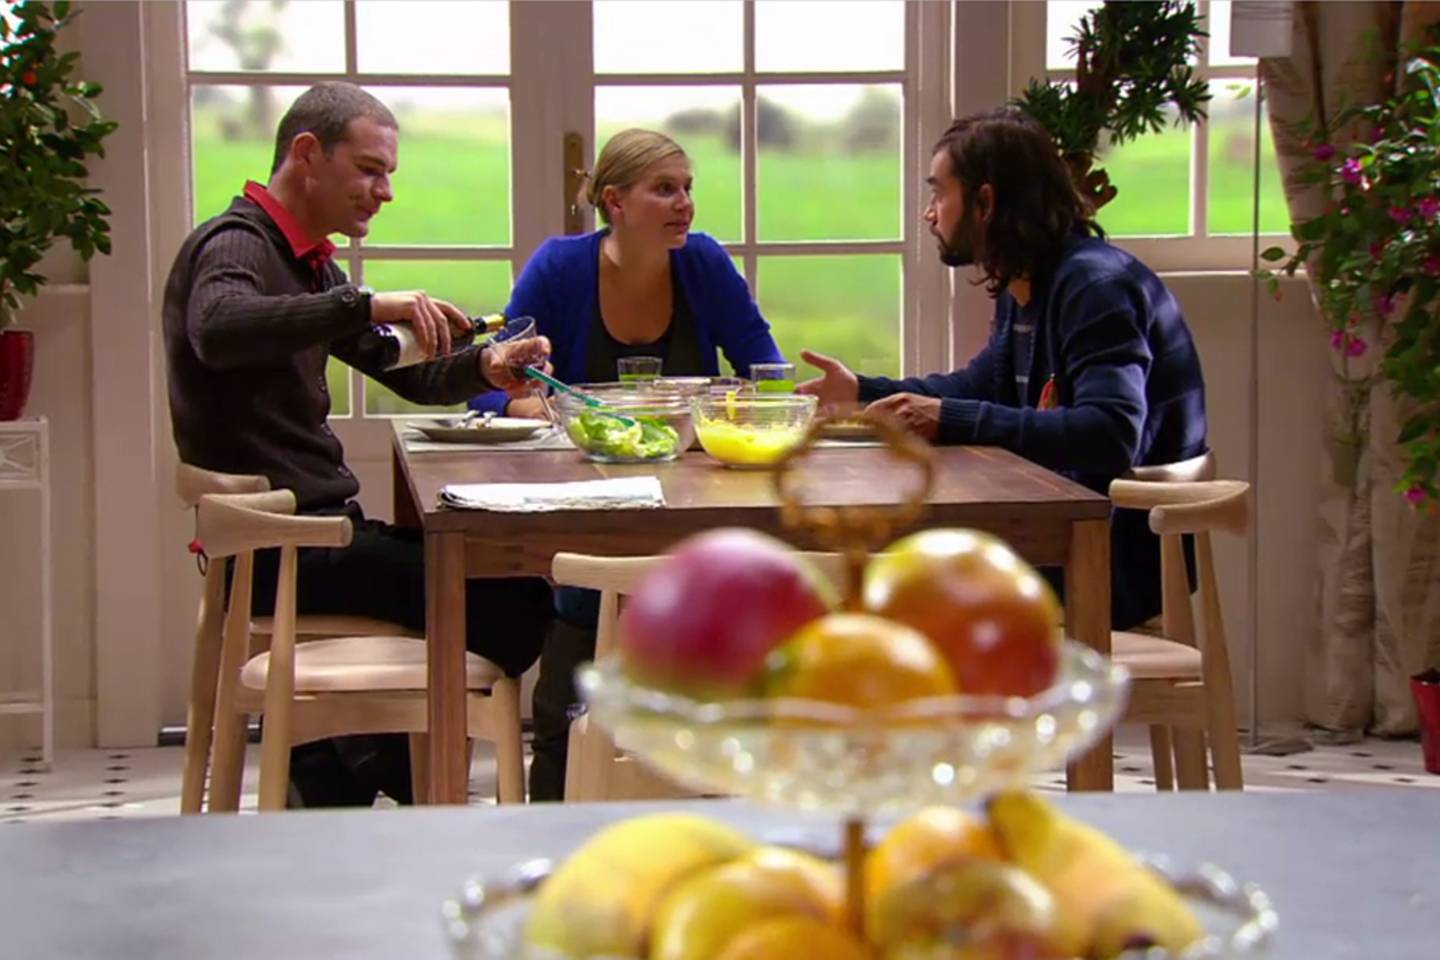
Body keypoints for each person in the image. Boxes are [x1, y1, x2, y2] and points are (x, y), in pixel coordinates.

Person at [162, 82, 555, 807]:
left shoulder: (308, 263)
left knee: (501, 589)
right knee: (515, 599)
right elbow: (217, 328)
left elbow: (395, 366)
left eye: (388, 175)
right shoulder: (237, 244)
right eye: (370, 170)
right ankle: (377, 776)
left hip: (306, 542)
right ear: (308, 154)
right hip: (291, 548)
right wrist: (364, 302)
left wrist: (486, 366)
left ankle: (333, 769)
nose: (385, 192)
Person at [798, 107, 1208, 632]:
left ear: (985, 202)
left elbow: (1111, 432)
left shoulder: (1094, 288)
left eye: (938, 194)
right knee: (866, 572)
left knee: (879, 584)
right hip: (1062, 541)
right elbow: (982, 386)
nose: (929, 214)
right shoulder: (1029, 283)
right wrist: (862, 390)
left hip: (1111, 561)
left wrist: (948, 417)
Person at [470, 128, 785, 801]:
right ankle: (562, 795)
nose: (684, 204)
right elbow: (487, 381)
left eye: (688, 188)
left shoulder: (703, 264)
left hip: (694, 503)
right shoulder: (561, 268)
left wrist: (737, 407)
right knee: (584, 607)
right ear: (614, 201)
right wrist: (522, 404)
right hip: (588, 503)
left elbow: (766, 372)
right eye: (664, 189)